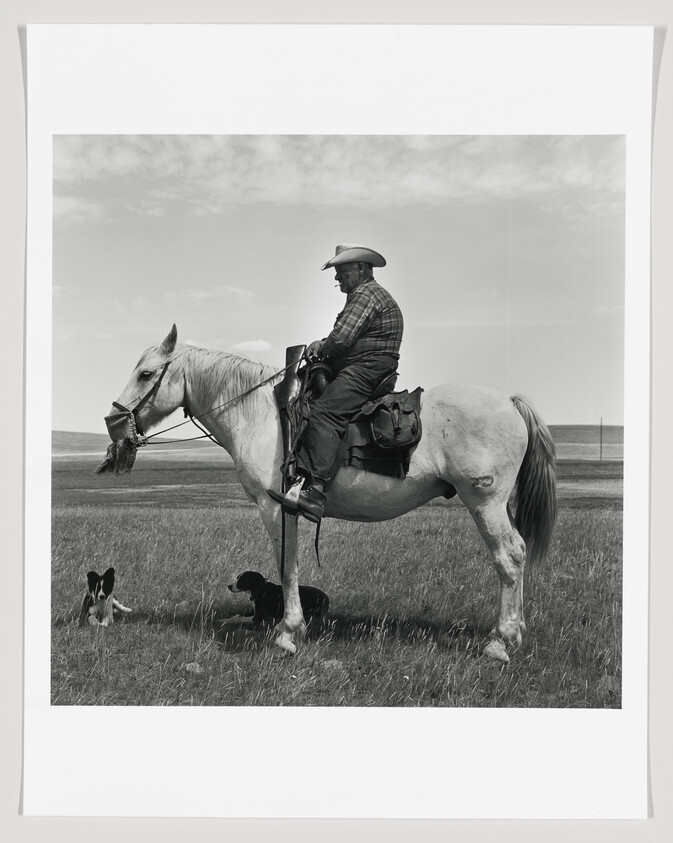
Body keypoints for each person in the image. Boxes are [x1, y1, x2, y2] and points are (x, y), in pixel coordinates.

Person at [268, 243, 404, 523]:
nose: (337, 278)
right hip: (368, 364)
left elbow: (341, 339)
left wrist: (321, 346)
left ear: (362, 269)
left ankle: (315, 492)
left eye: (342, 271)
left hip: (368, 368)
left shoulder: (366, 294)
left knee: (324, 413)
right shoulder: (365, 294)